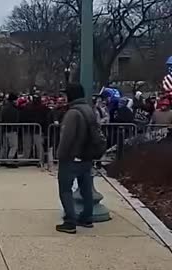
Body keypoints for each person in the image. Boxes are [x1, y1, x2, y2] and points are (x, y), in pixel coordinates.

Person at [56, 84, 95, 234]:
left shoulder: (72, 113)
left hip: (71, 157)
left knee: (65, 189)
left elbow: (66, 138)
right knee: (86, 188)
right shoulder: (89, 110)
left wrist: (60, 155)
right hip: (86, 156)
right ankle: (87, 217)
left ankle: (70, 221)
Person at [0, 93, 20, 167]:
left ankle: (2, 160)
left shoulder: (3, 108)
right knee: (14, 146)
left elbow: (1, 118)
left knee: (4, 146)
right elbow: (16, 119)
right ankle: (10, 161)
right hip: (12, 129)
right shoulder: (15, 109)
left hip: (4, 129)